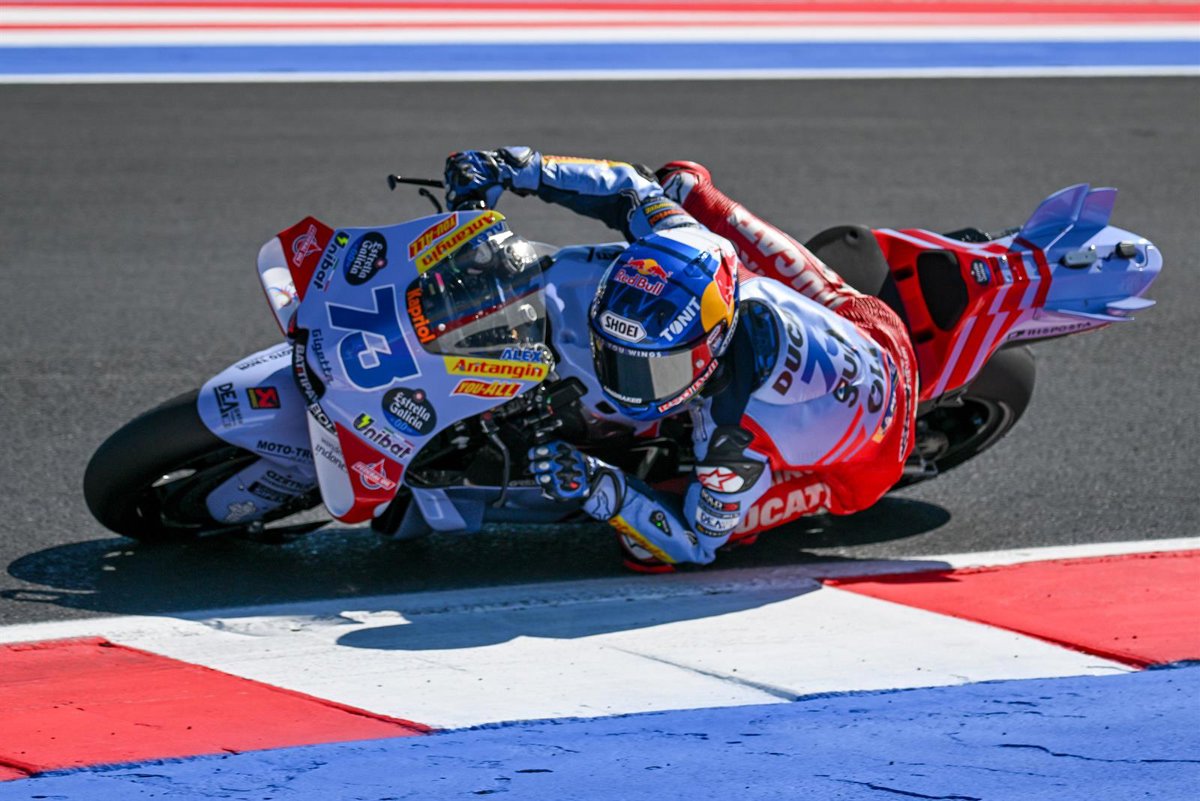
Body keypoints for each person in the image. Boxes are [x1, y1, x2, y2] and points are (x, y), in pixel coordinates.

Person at [445, 148, 918, 572]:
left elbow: (695, 543)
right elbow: (630, 187)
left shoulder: (731, 439)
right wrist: (518, 167)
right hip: (856, 321)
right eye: (615, 358)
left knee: (649, 552)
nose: (625, 385)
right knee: (680, 184)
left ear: (709, 349)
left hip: (870, 457)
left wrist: (597, 485)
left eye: (656, 371)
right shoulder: (693, 244)